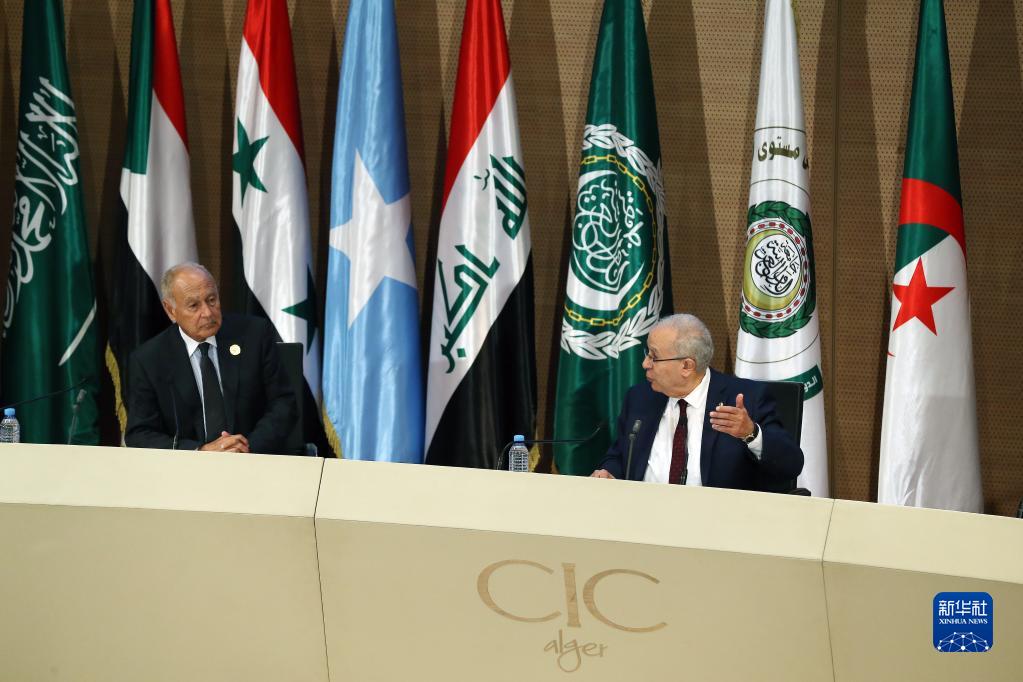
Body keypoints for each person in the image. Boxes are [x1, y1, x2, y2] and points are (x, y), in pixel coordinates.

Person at [591, 313, 803, 491]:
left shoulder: (746, 399)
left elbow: (791, 465)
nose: (645, 363)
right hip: (644, 516)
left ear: (687, 366)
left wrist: (751, 433)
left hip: (718, 521)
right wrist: (609, 473)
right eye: (648, 353)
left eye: (654, 356)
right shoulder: (640, 398)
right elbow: (619, 456)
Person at [125, 262, 297, 454]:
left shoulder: (255, 335)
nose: (207, 313)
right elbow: (140, 433)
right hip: (187, 468)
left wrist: (245, 448)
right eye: (194, 305)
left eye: (212, 300)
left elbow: (284, 404)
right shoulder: (149, 359)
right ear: (170, 310)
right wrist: (200, 451)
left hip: (254, 459)